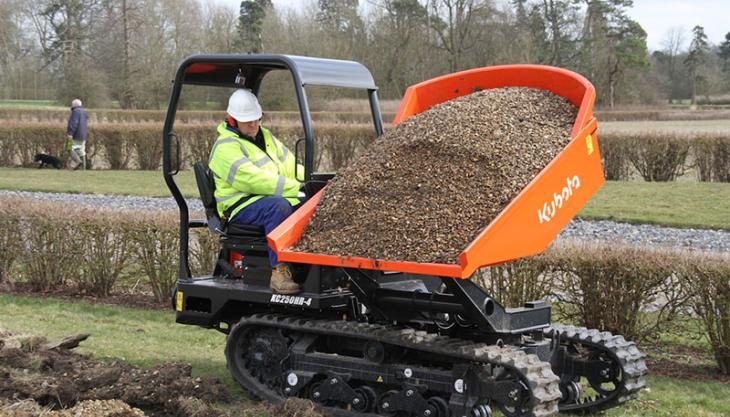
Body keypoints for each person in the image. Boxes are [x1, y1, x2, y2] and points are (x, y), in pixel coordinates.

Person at [208, 89, 304, 295]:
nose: (253, 124)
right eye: (246, 120)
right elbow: (252, 180)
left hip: (266, 198)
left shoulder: (265, 136)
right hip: (240, 206)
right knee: (278, 207)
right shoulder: (225, 148)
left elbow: (290, 165)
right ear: (232, 120)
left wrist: (312, 181)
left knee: (308, 205)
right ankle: (280, 271)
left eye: (256, 119)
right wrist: (296, 187)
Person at [66, 98, 88, 170]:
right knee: (81, 151)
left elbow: (73, 123)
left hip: (76, 134)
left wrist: (70, 133)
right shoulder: (84, 112)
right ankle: (83, 169)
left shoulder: (75, 111)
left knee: (68, 148)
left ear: (74, 105)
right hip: (83, 135)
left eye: (72, 105)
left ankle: (78, 162)